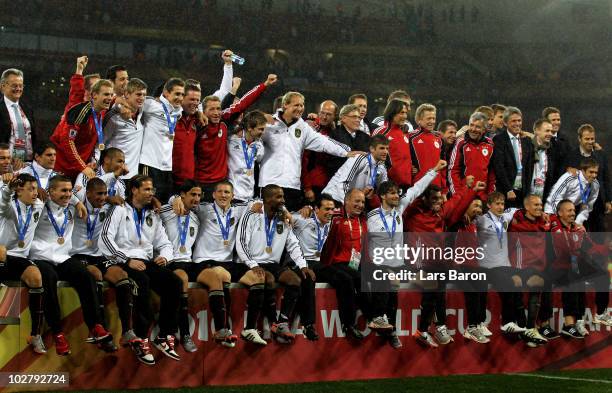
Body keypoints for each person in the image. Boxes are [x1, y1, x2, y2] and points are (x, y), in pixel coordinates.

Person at [98, 175, 183, 364]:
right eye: (146, 189)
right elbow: (104, 238)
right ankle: (141, 338)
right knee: (142, 282)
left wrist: (165, 257)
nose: (151, 193)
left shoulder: (152, 213)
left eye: (152, 190)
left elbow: (165, 242)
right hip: (121, 260)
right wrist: (126, 260)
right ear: (134, 190)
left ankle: (165, 335)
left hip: (145, 261)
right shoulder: (119, 210)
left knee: (174, 282)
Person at [366, 160, 447, 348]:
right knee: (390, 287)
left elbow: (417, 189)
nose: (397, 196)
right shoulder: (371, 217)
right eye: (393, 193)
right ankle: (386, 325)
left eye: (397, 192)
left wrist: (433, 170)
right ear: (383, 196)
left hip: (400, 265)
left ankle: (425, 328)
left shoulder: (399, 209)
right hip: (380, 265)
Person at [30, 175, 111, 356]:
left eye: (69, 191)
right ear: (51, 192)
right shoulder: (39, 205)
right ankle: (58, 333)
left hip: (63, 257)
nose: (68, 194)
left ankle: (96, 326)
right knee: (48, 280)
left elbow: (94, 194)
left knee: (86, 276)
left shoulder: (72, 206)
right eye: (63, 191)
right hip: (40, 256)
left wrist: (76, 201)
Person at [405, 177, 484, 347]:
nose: (438, 202)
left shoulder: (441, 211)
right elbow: (414, 194)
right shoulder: (413, 213)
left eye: (440, 198)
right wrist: (432, 173)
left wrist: (469, 188)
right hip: (417, 263)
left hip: (435, 264)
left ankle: (428, 329)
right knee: (435, 285)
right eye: (434, 199)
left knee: (440, 284)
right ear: (424, 199)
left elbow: (456, 202)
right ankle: (435, 327)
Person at [184, 181, 262, 346]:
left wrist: (285, 212)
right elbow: (185, 202)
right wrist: (174, 199)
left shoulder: (239, 210)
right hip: (204, 262)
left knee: (258, 277)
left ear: (233, 196)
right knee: (221, 274)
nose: (223, 195)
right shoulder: (203, 209)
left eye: (227, 192)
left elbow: (260, 202)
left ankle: (250, 329)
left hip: (228, 262)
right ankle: (222, 329)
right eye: (219, 192)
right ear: (213, 195)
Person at [259, 91, 358, 212]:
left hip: (291, 184)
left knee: (288, 223)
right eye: (296, 105)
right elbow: (248, 127)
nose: (300, 108)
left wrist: (345, 152)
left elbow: (324, 142)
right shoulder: (268, 124)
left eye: (302, 105)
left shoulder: (303, 128)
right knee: (265, 221)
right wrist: (260, 116)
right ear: (285, 105)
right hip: (268, 182)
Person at [70, 178, 134, 353]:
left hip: (99, 255)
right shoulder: (76, 205)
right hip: (78, 255)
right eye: (99, 194)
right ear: (88, 193)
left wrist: (109, 198)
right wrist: (77, 202)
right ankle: (100, 329)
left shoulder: (108, 207)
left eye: (105, 193)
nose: (103, 197)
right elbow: (68, 193)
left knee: (122, 276)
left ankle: (127, 331)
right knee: (95, 274)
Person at [195, 75, 277, 201]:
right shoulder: (197, 126)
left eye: (218, 109)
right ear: (203, 111)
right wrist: (197, 113)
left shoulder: (224, 123)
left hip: (220, 183)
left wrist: (264, 85)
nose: (217, 112)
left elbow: (243, 104)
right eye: (212, 109)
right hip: (200, 182)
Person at [0, 173, 46, 353]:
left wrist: (77, 201)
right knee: (1, 251)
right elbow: (3, 202)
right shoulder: (9, 206)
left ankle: (36, 334)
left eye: (36, 188)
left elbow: (61, 193)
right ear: (19, 191)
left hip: (20, 258)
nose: (35, 193)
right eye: (31, 189)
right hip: (3, 253)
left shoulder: (38, 206)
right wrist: (7, 189)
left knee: (36, 278)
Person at [319, 188, 370, 340]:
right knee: (350, 280)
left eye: (362, 202)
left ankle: (378, 317)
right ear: (346, 201)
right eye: (357, 201)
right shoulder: (335, 217)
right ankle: (350, 323)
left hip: (354, 263)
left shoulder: (363, 221)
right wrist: (307, 209)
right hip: (333, 263)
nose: (360, 205)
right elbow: (319, 214)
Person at [159, 181, 201, 352]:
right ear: (182, 195)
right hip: (168, 262)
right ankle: (184, 333)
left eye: (199, 195)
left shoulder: (196, 218)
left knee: (217, 275)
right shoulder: (163, 212)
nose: (197, 199)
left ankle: (223, 329)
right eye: (193, 194)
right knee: (181, 278)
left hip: (188, 262)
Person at [289, 193, 335, 341]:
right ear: (316, 209)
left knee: (342, 276)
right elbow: (286, 216)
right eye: (327, 209)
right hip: (299, 262)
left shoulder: (331, 222)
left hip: (319, 263)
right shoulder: (303, 219)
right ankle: (308, 325)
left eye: (332, 209)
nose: (330, 212)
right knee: (308, 277)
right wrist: (304, 209)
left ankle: (350, 323)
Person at [507, 195, 550, 348]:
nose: (540, 208)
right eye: (536, 205)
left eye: (541, 205)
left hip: (537, 265)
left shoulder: (543, 221)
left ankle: (530, 328)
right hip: (519, 265)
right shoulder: (516, 222)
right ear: (527, 207)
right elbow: (526, 228)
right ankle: (523, 327)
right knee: (518, 295)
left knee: (537, 292)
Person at [51, 79, 114, 180]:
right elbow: (67, 141)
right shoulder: (81, 112)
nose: (110, 98)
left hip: (78, 169)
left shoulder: (101, 113)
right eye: (106, 94)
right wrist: (82, 166)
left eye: (111, 94)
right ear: (94, 95)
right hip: (63, 167)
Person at [139, 78, 185, 203]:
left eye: (182, 94)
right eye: (177, 94)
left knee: (162, 204)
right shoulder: (151, 104)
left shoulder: (178, 111)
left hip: (167, 167)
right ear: (166, 93)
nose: (180, 98)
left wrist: (199, 113)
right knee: (146, 202)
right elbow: (131, 101)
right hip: (149, 163)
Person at [322, 134, 389, 205]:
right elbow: (343, 183)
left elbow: (384, 188)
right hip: (333, 197)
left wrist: (374, 191)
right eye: (382, 148)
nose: (385, 152)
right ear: (372, 149)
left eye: (387, 148)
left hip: (351, 202)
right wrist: (347, 205)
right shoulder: (360, 159)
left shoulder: (381, 167)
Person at [103, 78, 148, 179]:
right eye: (138, 94)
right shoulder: (113, 116)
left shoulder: (143, 114)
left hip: (133, 176)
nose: (142, 98)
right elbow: (100, 144)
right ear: (127, 94)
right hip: (114, 174)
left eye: (144, 95)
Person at [491, 106, 535, 208]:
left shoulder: (527, 141)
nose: (517, 124)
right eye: (513, 121)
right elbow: (499, 166)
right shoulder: (499, 140)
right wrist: (508, 189)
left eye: (519, 120)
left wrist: (527, 191)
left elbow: (529, 168)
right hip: (506, 191)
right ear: (506, 123)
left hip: (523, 191)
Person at [448, 112, 495, 200]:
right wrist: (457, 195)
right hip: (464, 195)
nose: (473, 129)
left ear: (484, 129)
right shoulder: (460, 143)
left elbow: (492, 172)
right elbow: (453, 170)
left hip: (483, 196)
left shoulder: (490, 144)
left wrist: (490, 194)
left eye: (478, 127)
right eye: (471, 125)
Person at [544, 158, 600, 226]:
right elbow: (554, 197)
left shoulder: (595, 185)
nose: (594, 175)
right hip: (553, 210)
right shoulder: (570, 177)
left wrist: (579, 221)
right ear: (583, 171)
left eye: (596, 172)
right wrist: (558, 216)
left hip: (571, 212)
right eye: (591, 172)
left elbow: (587, 206)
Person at [373, 99, 413, 192]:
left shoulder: (405, 133)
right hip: (388, 186)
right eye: (401, 113)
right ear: (392, 113)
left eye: (405, 113)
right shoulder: (382, 132)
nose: (404, 116)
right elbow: (373, 158)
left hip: (406, 185)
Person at [324, 104, 370, 184]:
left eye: (359, 117)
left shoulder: (366, 137)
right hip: (339, 182)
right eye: (354, 117)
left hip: (361, 183)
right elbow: (330, 162)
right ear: (343, 118)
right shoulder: (334, 136)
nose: (358, 120)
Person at [302, 100, 339, 202]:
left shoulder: (336, 132)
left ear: (335, 116)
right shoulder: (310, 128)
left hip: (328, 183)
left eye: (328, 114)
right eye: (322, 113)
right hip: (312, 182)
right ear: (318, 113)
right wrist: (307, 187)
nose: (324, 117)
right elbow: (303, 161)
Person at [227, 110, 266, 203]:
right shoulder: (232, 140)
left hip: (250, 197)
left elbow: (258, 162)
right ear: (249, 128)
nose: (263, 132)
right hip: (233, 195)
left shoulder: (259, 146)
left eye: (263, 129)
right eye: (260, 129)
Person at [0, 68, 37, 163]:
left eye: (21, 86)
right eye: (14, 85)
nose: (18, 89)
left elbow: (33, 136)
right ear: (3, 86)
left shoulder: (27, 109)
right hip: (6, 164)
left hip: (28, 163)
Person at [410, 104, 447, 192]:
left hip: (436, 186)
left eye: (433, 118)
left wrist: (444, 190)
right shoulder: (411, 138)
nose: (432, 121)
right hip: (417, 187)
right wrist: (408, 168)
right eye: (428, 118)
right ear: (419, 120)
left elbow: (443, 166)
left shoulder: (439, 138)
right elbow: (404, 159)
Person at [530, 119, 556, 201]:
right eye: (547, 131)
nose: (550, 134)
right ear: (537, 131)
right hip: (527, 194)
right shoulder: (527, 148)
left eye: (551, 131)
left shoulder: (551, 151)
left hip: (543, 194)